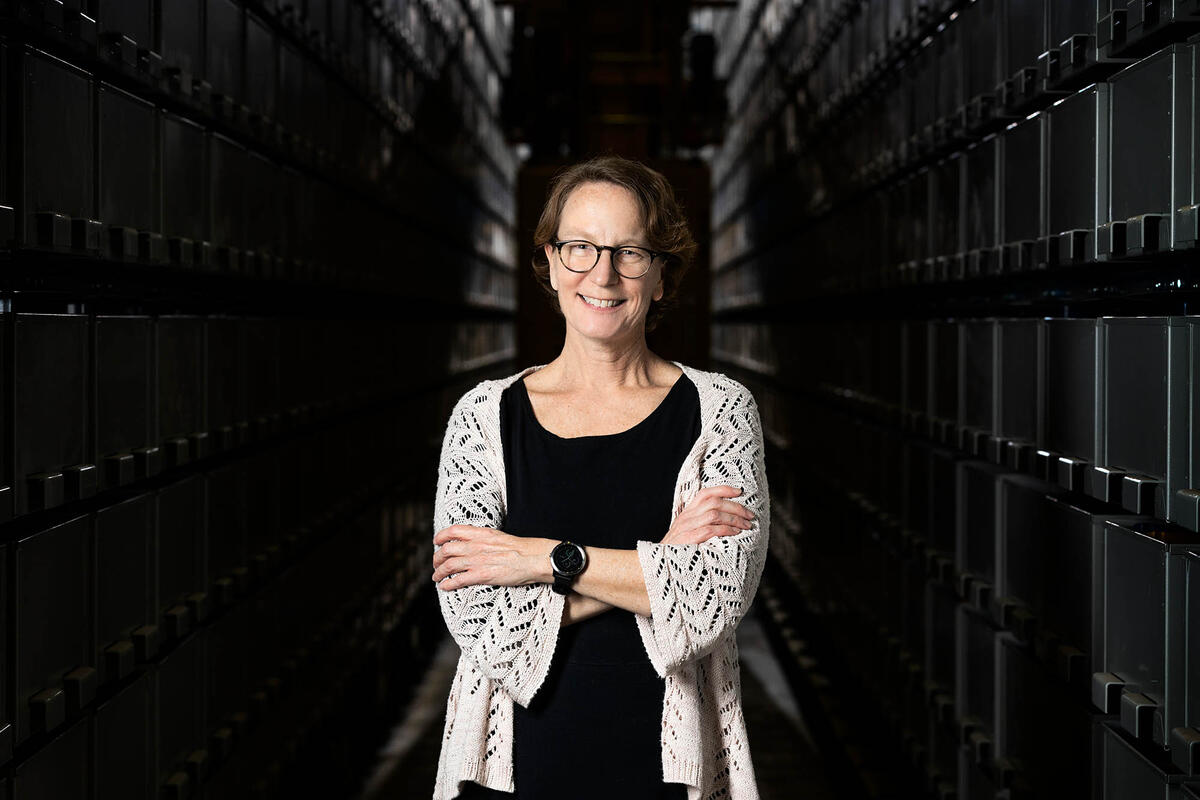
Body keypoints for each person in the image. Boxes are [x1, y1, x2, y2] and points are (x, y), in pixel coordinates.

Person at [430, 155, 769, 800]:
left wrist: (539, 558)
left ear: (662, 275)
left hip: (666, 772)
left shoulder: (720, 412)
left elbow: (708, 608)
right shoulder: (482, 417)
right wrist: (659, 564)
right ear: (551, 263)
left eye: (630, 252)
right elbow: (480, 622)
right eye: (580, 248)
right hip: (514, 774)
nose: (603, 275)